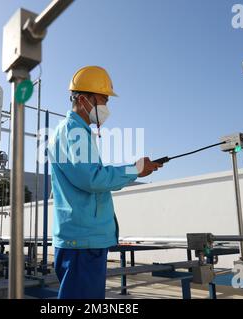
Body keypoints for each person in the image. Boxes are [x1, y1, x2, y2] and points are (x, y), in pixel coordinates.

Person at [49, 66, 163, 299]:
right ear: (83, 100)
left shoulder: (70, 131)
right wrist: (135, 169)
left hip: (79, 239)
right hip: (83, 242)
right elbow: (93, 179)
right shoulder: (75, 132)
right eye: (103, 100)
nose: (106, 108)